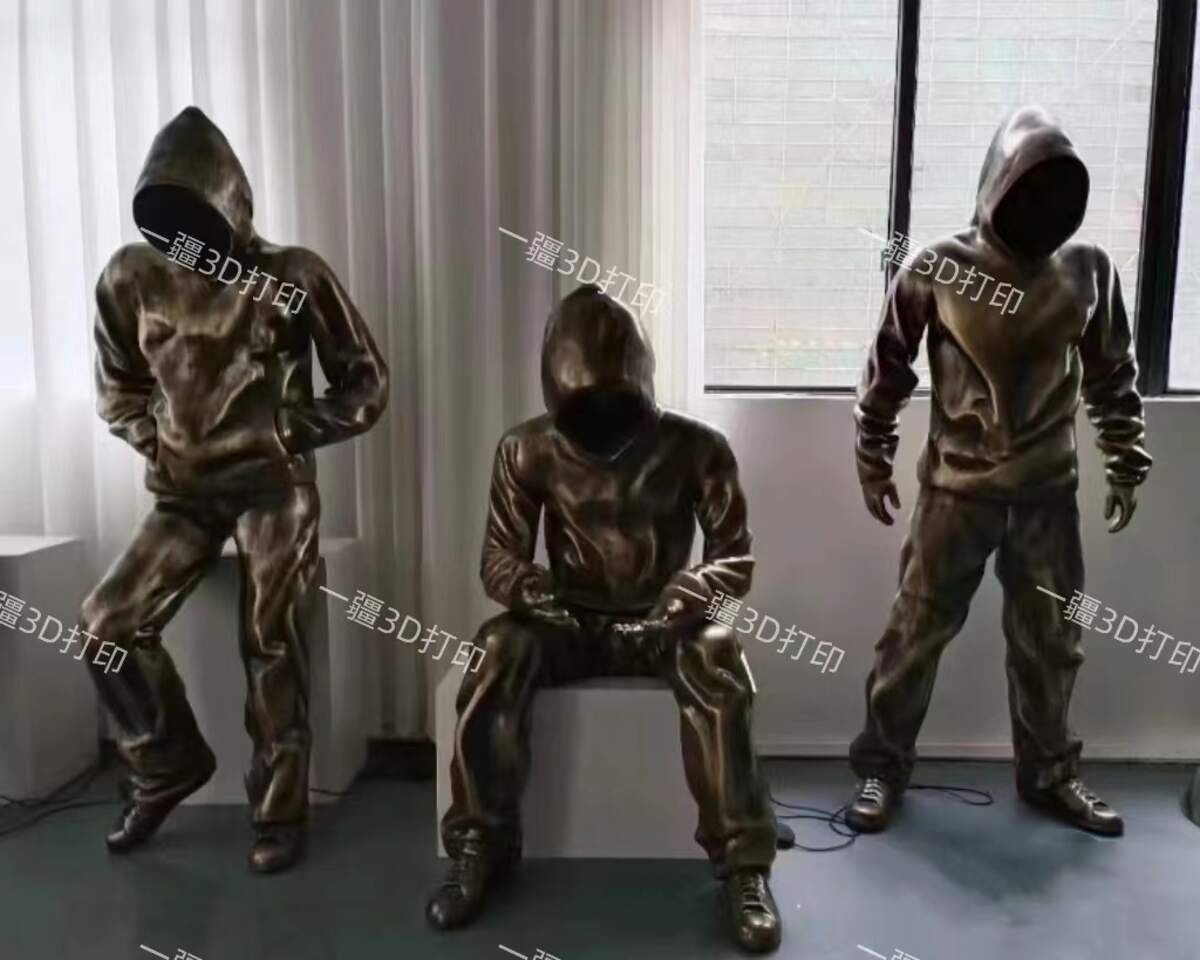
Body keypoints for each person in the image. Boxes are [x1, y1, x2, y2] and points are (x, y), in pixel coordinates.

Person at [427, 285, 781, 953]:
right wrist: (529, 590)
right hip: (570, 622)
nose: (600, 422)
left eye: (615, 400)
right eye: (580, 406)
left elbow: (736, 557)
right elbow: (498, 558)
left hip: (666, 623)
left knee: (718, 654)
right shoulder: (526, 450)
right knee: (495, 649)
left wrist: (696, 587)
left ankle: (744, 865)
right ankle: (479, 845)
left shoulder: (699, 448)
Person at [80, 106, 388, 873]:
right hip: (183, 496)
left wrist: (290, 429)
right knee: (104, 624)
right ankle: (165, 763)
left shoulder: (293, 276)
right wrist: (156, 441)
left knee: (270, 637)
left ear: (231, 202)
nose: (185, 228)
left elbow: (366, 382)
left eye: (198, 208)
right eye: (168, 210)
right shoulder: (129, 278)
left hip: (273, 487)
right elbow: (117, 386)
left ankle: (280, 809)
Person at [847, 105, 1151, 837]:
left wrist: (1125, 458)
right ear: (996, 183)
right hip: (957, 493)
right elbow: (887, 369)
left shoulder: (1088, 270)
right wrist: (873, 457)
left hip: (1047, 494)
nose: (1040, 205)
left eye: (1056, 191)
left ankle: (1050, 773)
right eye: (1027, 187)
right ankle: (882, 768)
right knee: (913, 634)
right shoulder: (937, 267)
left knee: (1052, 642)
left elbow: (1113, 373)